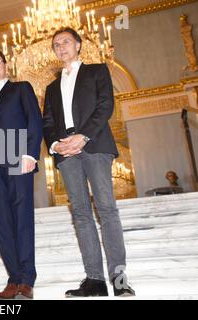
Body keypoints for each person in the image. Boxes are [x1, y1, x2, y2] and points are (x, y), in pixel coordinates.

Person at [43, 27, 135, 297]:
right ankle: (94, 280)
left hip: (94, 144)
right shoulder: (50, 87)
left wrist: (82, 137)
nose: (61, 47)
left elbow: (105, 106)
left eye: (66, 42)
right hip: (66, 152)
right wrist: (57, 144)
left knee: (106, 209)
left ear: (78, 45)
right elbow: (48, 122)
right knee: (81, 214)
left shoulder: (97, 71)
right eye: (56, 44)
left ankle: (118, 278)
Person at [0, 48, 43, 300]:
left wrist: (30, 154)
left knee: (21, 219)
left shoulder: (21, 89)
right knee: (2, 223)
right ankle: (13, 279)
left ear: (5, 65)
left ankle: (26, 279)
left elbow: (34, 120)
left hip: (18, 160)